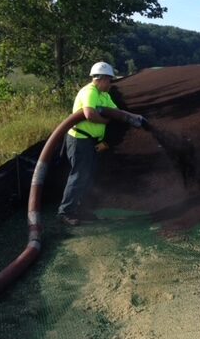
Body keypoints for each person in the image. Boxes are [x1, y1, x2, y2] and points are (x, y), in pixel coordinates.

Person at [57, 61, 141, 226]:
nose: (111, 83)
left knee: (88, 175)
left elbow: (116, 113)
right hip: (79, 140)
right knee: (79, 175)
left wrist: (134, 118)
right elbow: (89, 114)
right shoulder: (90, 91)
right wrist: (104, 121)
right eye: (109, 80)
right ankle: (65, 212)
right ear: (101, 79)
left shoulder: (105, 95)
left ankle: (81, 210)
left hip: (91, 141)